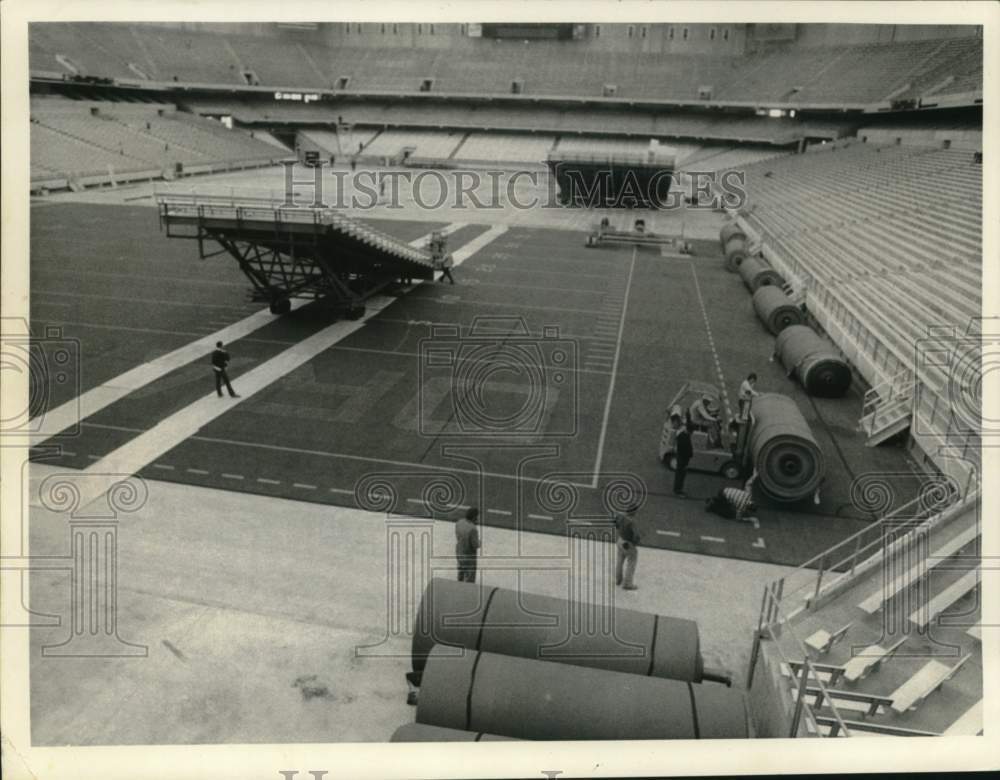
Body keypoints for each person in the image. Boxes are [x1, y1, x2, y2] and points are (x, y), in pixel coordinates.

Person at [613, 504, 641, 590]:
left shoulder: (620, 515)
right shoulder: (632, 522)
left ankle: (618, 579)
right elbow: (636, 535)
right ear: (635, 511)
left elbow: (615, 523)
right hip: (628, 543)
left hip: (620, 539)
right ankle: (628, 583)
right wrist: (636, 543)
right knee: (631, 562)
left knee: (619, 560)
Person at [455, 507, 481, 583]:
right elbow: (475, 545)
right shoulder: (473, 528)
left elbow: (457, 535)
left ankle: (459, 584)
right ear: (474, 517)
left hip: (459, 552)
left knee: (461, 571)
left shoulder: (459, 522)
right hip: (469, 556)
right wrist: (480, 543)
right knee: (470, 577)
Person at [673, 422, 693, 497]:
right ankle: (678, 490)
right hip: (683, 459)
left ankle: (677, 489)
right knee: (680, 475)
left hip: (681, 457)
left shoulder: (681, 435)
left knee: (679, 474)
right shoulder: (685, 438)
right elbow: (686, 451)